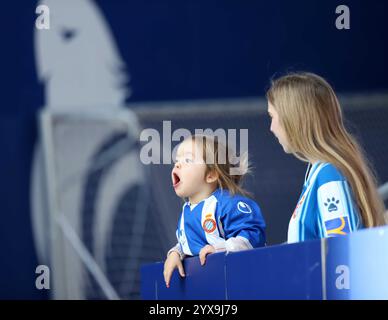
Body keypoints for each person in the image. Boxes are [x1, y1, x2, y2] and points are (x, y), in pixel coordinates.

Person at [266, 72, 386, 243]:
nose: (271, 128)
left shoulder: (329, 176)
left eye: (272, 117)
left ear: (294, 119)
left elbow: (343, 257)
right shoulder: (319, 173)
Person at [163, 134, 266, 287]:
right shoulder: (187, 213)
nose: (177, 165)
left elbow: (254, 236)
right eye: (176, 161)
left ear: (211, 175)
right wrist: (176, 253)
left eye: (187, 160)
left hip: (247, 283)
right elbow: (189, 244)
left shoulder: (228, 204)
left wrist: (222, 248)